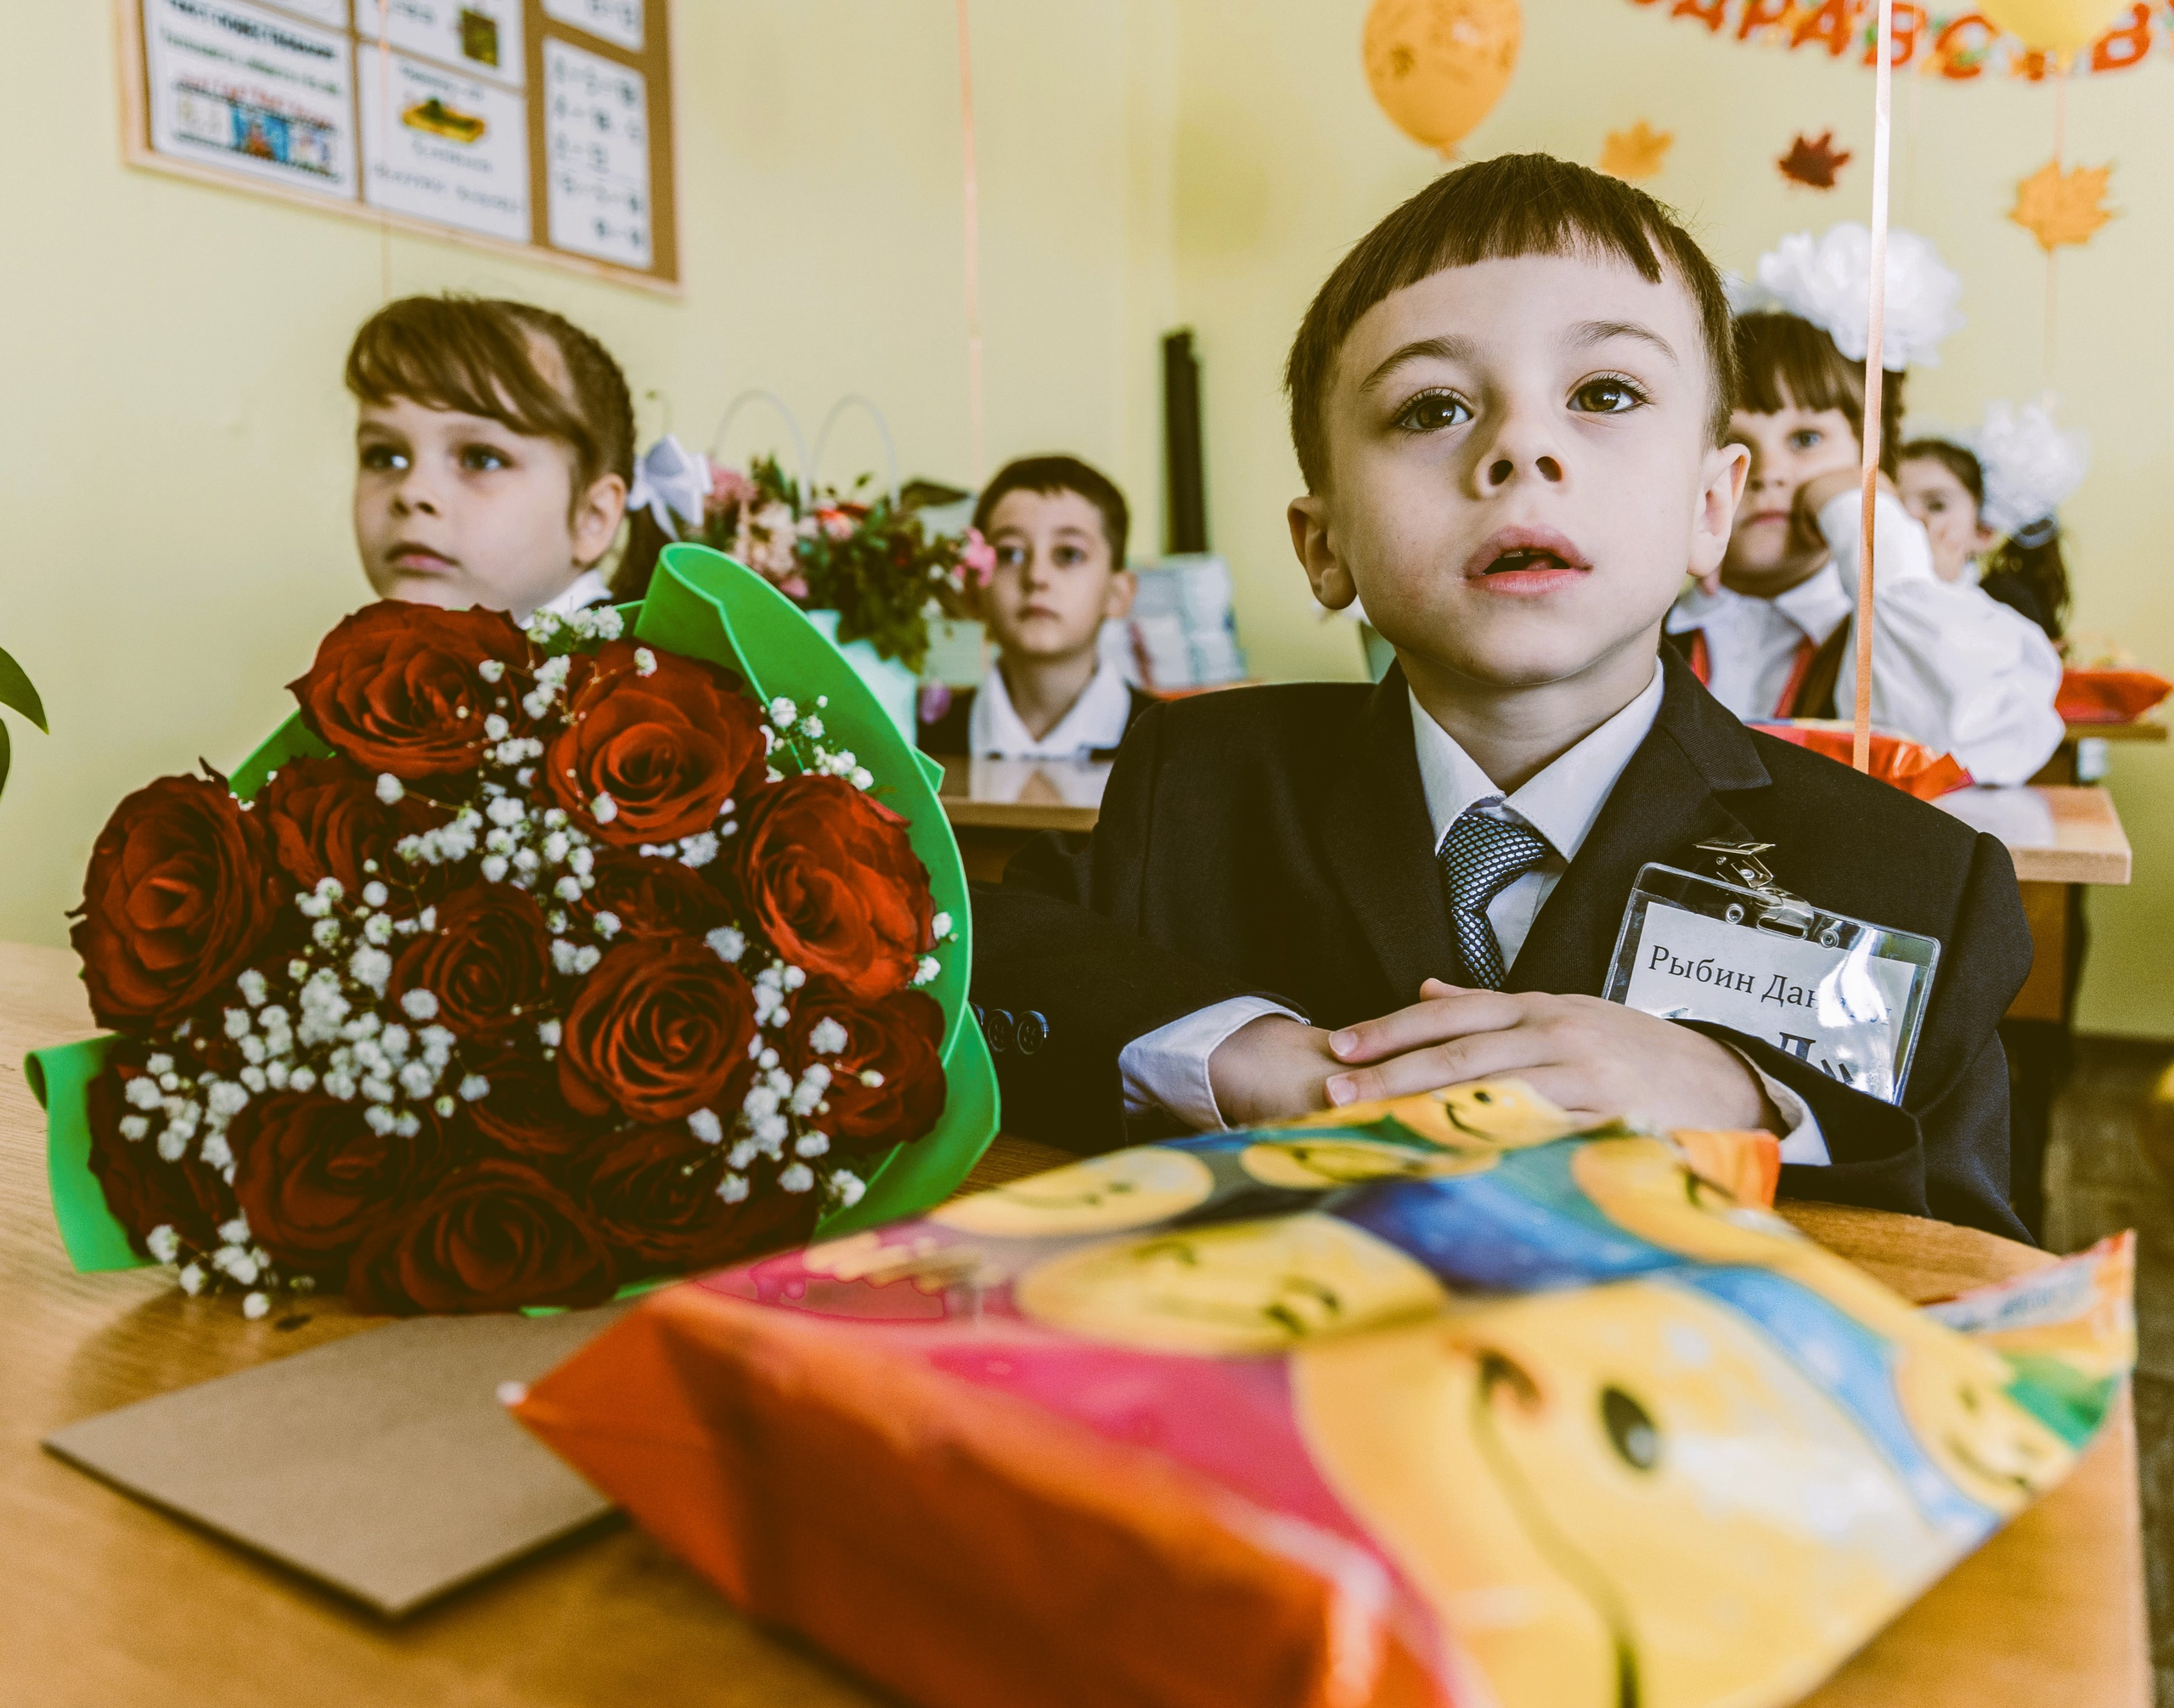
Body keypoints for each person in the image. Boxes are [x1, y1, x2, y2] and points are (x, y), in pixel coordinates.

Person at [971, 155, 2033, 1240]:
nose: (1520, 447)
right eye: (1431, 407)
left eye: (1604, 394)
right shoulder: (1193, 779)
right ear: (1322, 542)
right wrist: (1234, 1051)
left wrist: (1748, 1105)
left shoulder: (1910, 878)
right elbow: (976, 955)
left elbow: (1958, 1234)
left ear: (1710, 507)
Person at [1664, 228, 2062, 786]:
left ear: (1872, 459)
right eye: (1737, 443)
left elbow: (1961, 745)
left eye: (1806, 440)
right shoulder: (1650, 628)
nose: (1770, 471)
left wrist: (1863, 515)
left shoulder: (1916, 633)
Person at [346, 294, 632, 618]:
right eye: (384, 457)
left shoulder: (636, 667)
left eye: (482, 459)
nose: (412, 492)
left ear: (592, 518)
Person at [919, 455, 1153, 758]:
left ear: (1118, 593)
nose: (1036, 577)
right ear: (973, 592)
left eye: (1068, 554)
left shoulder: (1175, 745)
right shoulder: (921, 746)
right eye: (1009, 554)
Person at [1898, 412, 2080, 645]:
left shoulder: (2002, 607)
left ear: (1982, 531)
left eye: (1937, 505)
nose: (1909, 518)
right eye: (1893, 503)